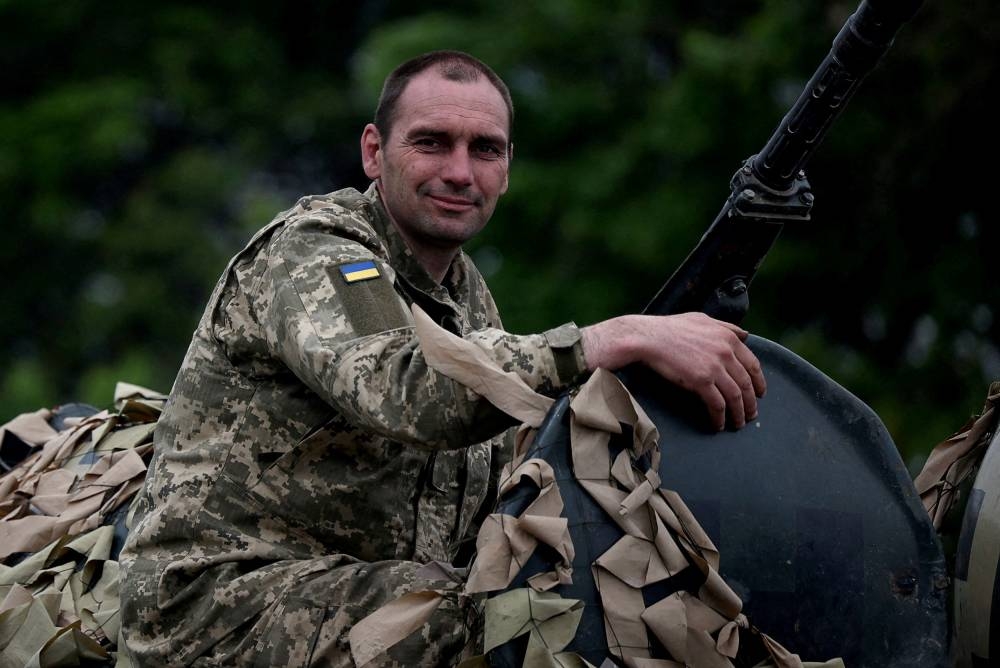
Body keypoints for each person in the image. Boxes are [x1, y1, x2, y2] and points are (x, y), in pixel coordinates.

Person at [118, 50, 765, 667]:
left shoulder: (462, 293)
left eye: (485, 150)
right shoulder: (327, 257)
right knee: (515, 623)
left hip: (358, 592)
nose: (461, 171)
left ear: (506, 170)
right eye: (431, 142)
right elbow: (404, 384)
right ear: (374, 152)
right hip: (217, 609)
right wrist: (611, 338)